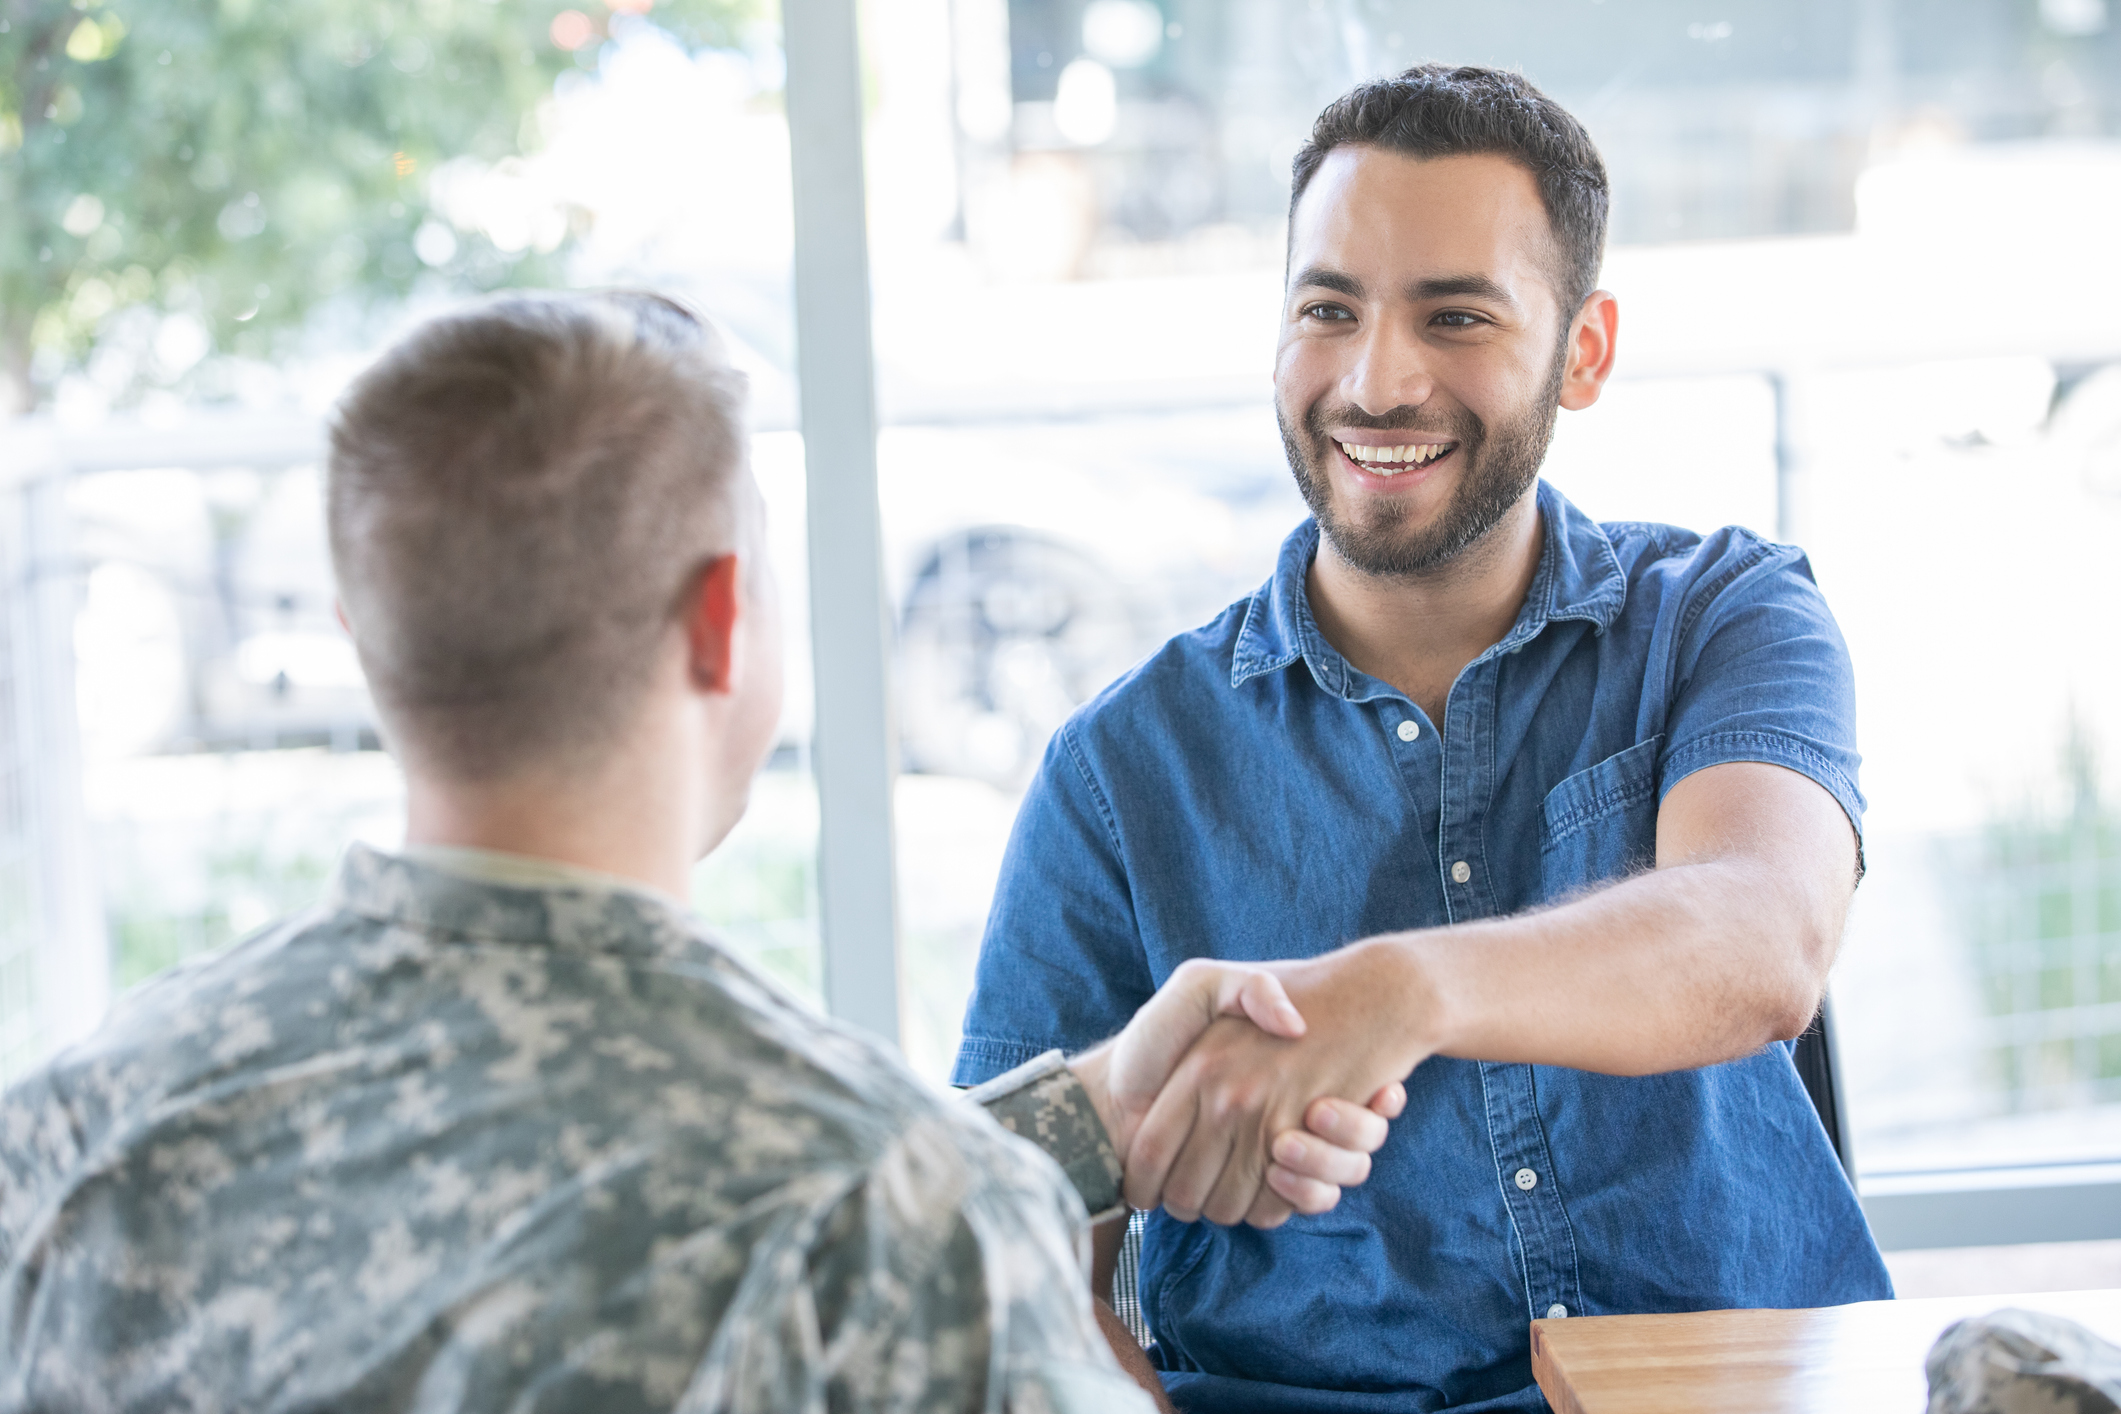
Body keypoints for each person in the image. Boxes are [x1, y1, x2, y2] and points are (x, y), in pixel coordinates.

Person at [0, 291, 1402, 1413]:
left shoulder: (68, 1143)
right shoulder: (890, 1220)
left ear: (368, 639)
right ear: (720, 619)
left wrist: (1084, 1114)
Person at [953, 64, 1894, 1413]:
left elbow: (1759, 934)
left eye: (1453, 316)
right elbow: (1004, 1234)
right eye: (1326, 309)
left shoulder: (1725, 617)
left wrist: (1392, 991)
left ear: (1583, 349)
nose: (1374, 380)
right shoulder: (1120, 770)